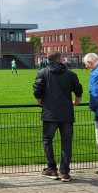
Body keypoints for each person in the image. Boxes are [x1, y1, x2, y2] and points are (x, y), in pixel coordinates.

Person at [33, 51, 83, 182]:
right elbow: (78, 91)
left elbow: (37, 92)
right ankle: (65, 172)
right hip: (66, 113)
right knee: (66, 142)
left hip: (49, 113)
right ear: (60, 59)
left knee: (47, 140)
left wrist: (41, 103)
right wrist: (75, 103)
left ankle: (52, 169)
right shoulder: (70, 74)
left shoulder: (42, 73)